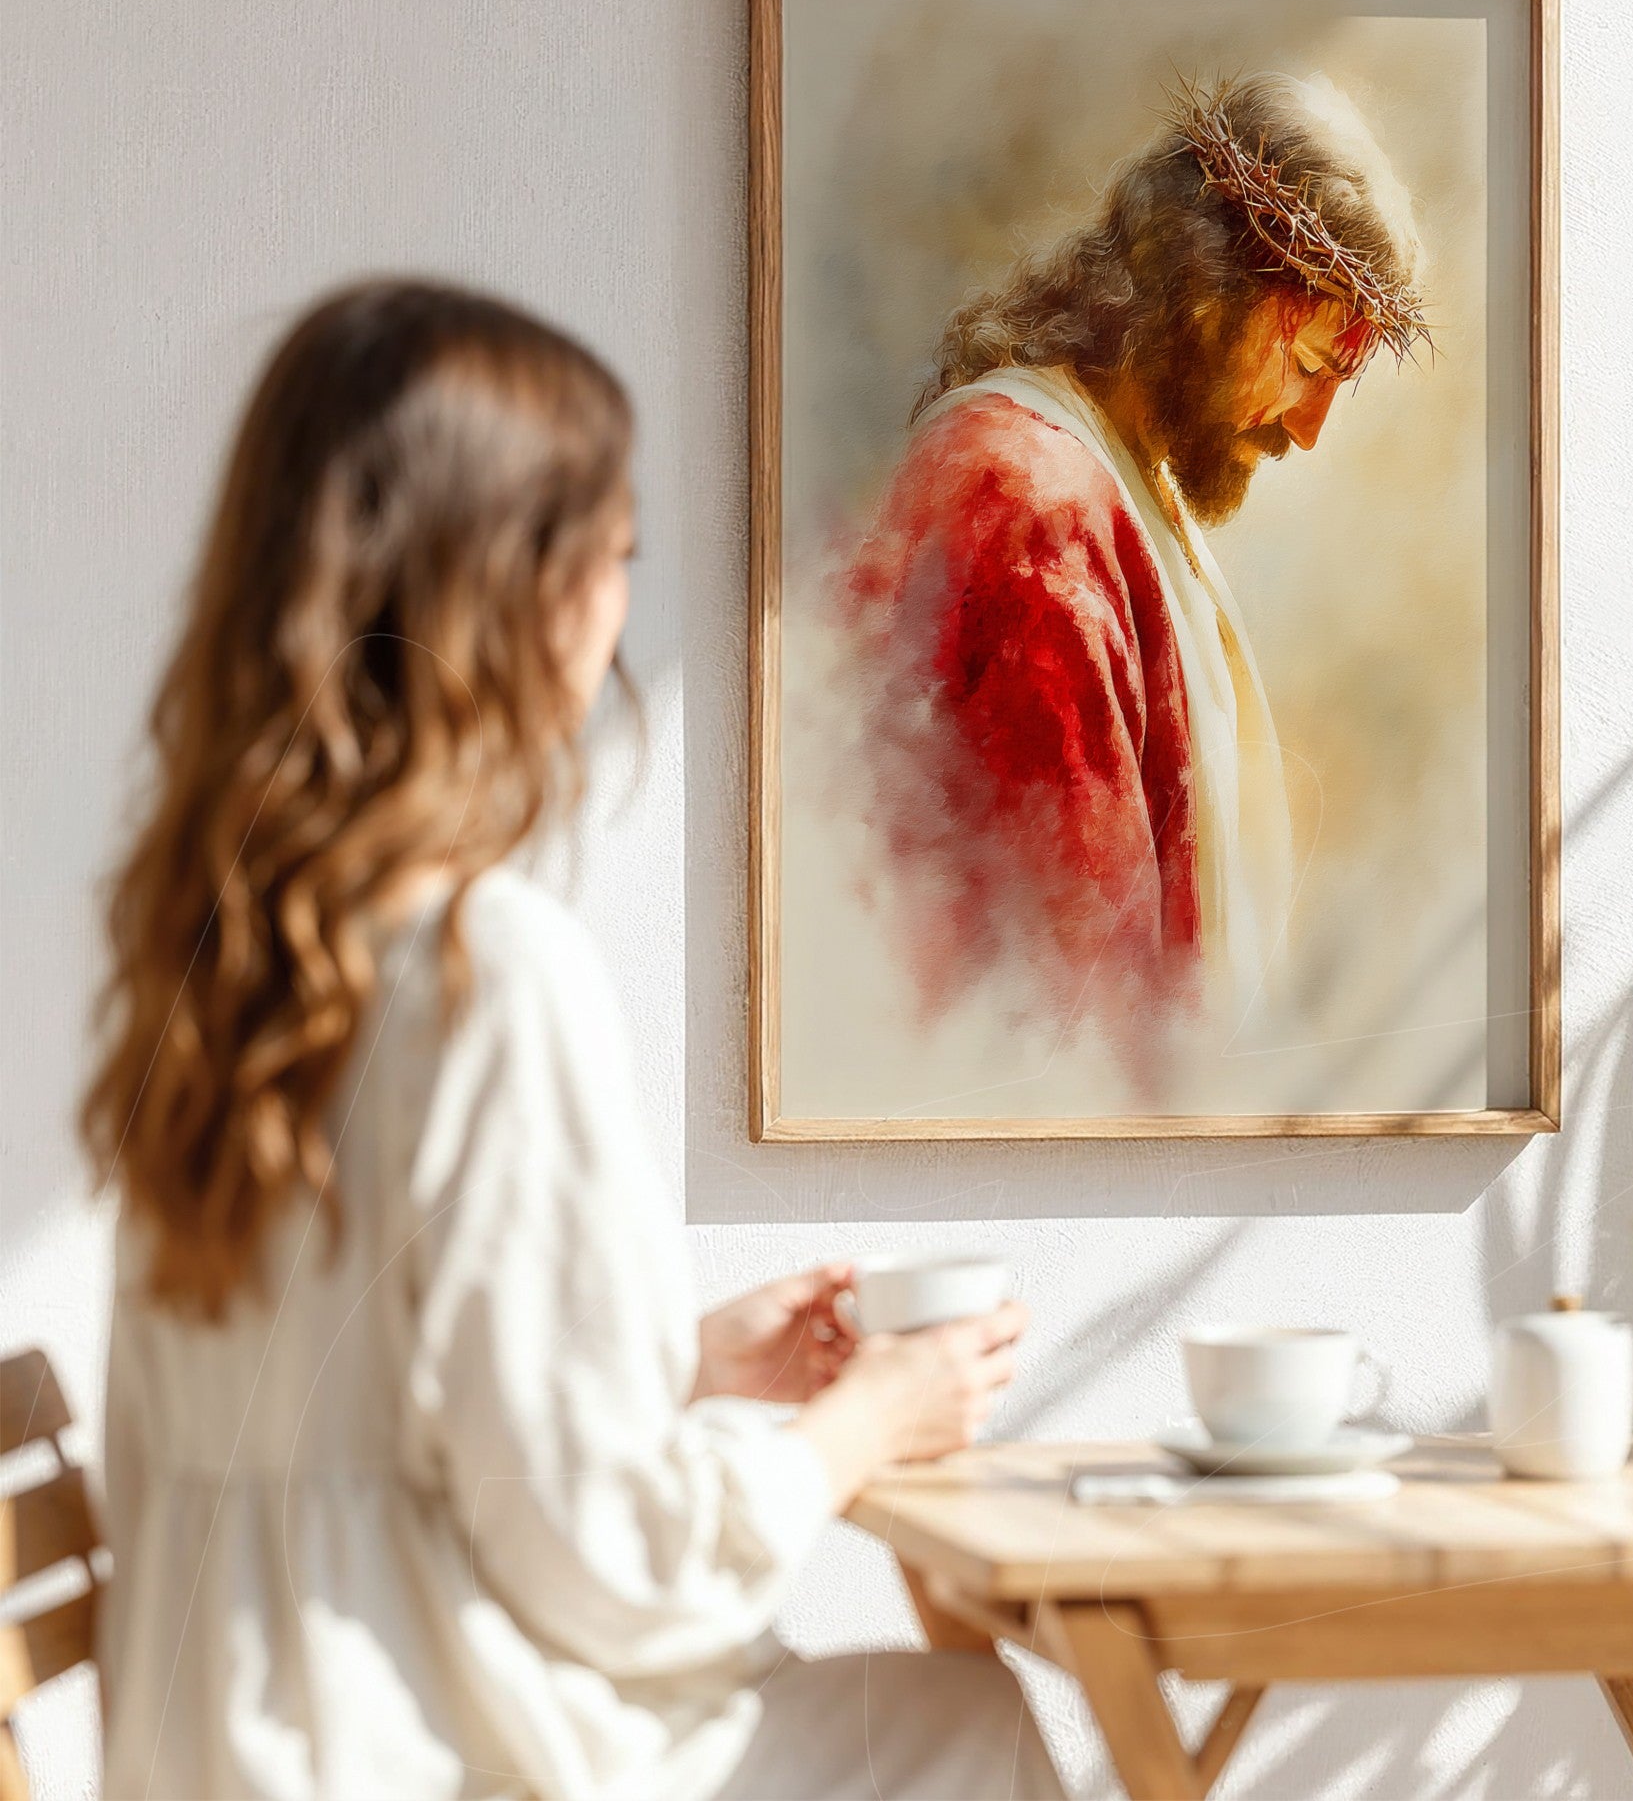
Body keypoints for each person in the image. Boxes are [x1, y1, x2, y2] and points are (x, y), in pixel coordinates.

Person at [81, 281, 1062, 1800]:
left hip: (226, 1741)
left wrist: (672, 1368)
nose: (620, 605)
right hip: (429, 1747)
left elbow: (363, 1423)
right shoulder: (482, 974)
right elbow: (611, 1558)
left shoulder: (213, 963)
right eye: (612, 557)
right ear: (515, 594)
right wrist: (865, 1422)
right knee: (969, 1732)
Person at [842, 73, 1431, 1059]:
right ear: (1206, 294)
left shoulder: (1115, 476)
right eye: (1309, 366)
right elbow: (1081, 997)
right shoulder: (1028, 499)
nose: (1308, 427)